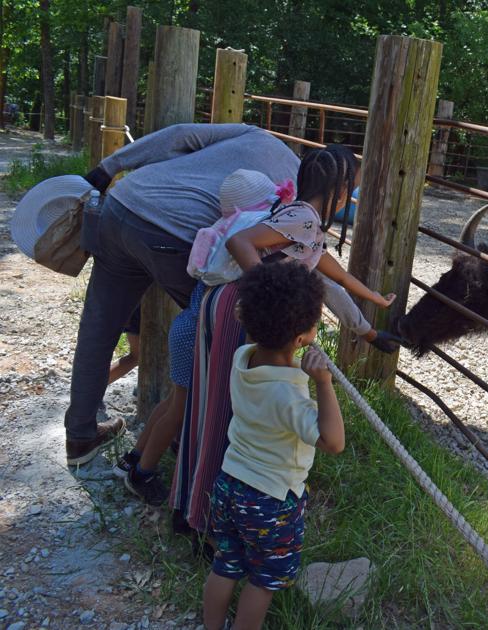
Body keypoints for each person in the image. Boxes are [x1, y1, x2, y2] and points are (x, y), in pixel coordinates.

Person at [118, 167, 397, 506]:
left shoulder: (236, 241)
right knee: (180, 407)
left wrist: (370, 309)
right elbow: (328, 283)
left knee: (175, 402)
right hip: (196, 333)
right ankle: (142, 474)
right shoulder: (268, 246)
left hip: (189, 325)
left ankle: (133, 458)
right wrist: (274, 292)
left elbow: (331, 276)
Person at [65, 123, 298, 466]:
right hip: (173, 232)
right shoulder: (296, 201)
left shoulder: (258, 135)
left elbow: (180, 135)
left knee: (98, 328)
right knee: (215, 331)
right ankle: (189, 437)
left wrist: (110, 166)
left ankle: (80, 437)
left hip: (124, 203)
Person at [201, 262, 342, 630]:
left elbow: (259, 326)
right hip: (271, 499)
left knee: (225, 564)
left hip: (229, 484)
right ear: (302, 338)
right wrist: (324, 384)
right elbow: (333, 441)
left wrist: (248, 312)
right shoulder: (289, 396)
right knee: (263, 582)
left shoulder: (243, 358)